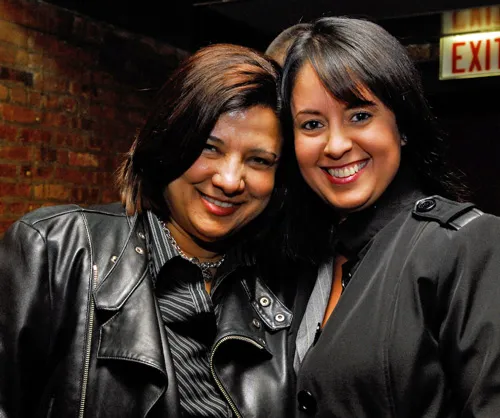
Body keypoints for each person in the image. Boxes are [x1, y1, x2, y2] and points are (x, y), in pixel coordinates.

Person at [0, 43, 305, 418]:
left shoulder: (285, 290)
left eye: (258, 160)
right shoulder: (54, 251)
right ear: (169, 143)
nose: (229, 180)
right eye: (209, 148)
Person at [278, 16, 500, 417]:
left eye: (359, 115)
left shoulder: (467, 245)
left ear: (402, 125)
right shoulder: (299, 260)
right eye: (312, 124)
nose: (336, 145)